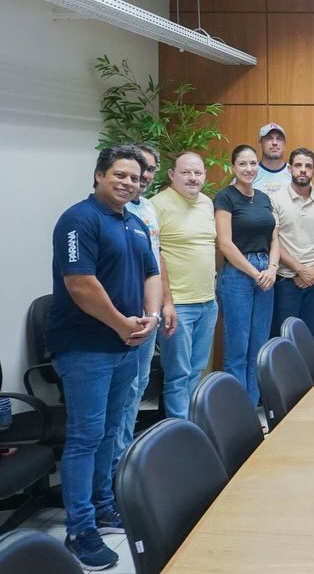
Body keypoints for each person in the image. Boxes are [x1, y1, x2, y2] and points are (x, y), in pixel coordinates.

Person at [47, 145, 161, 569]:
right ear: (99, 175)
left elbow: (152, 272)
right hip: (86, 348)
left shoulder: (134, 223)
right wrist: (120, 324)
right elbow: (81, 284)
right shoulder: (79, 219)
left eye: (135, 177)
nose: (129, 183)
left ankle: (102, 506)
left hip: (126, 345)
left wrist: (150, 317)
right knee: (86, 437)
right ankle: (80, 528)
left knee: (112, 431)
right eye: (120, 175)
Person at [114, 144, 172, 465]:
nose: (144, 176)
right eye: (141, 169)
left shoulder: (147, 208)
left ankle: (126, 453)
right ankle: (118, 460)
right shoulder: (114, 208)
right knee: (125, 388)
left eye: (150, 170)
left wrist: (165, 302)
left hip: (150, 309)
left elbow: (156, 257)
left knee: (140, 385)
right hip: (125, 311)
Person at [153, 151, 218, 420]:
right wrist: (166, 302)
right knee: (178, 374)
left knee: (197, 369)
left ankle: (193, 425)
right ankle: (180, 432)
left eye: (198, 172)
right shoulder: (156, 206)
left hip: (207, 301)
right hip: (177, 305)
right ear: (171, 174)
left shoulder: (207, 203)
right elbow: (154, 258)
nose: (193, 178)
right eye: (185, 172)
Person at [215, 144, 280, 407]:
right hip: (238, 274)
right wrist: (255, 273)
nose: (249, 168)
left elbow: (275, 238)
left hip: (266, 273)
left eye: (253, 163)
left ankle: (252, 411)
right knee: (237, 349)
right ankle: (236, 414)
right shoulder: (225, 197)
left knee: (259, 347)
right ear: (233, 167)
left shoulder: (264, 198)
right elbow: (225, 244)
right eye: (243, 164)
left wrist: (272, 269)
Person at [272, 147, 314, 348]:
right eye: (298, 165)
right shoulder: (275, 200)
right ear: (289, 168)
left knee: (313, 338)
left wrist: (313, 271)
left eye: (308, 166)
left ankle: (313, 373)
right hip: (285, 280)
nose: (303, 170)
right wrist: (300, 270)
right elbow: (273, 241)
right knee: (284, 340)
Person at [253, 122, 291, 195]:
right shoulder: (249, 173)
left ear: (284, 145)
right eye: (269, 138)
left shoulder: (294, 174)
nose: (274, 143)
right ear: (260, 144)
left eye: (279, 139)